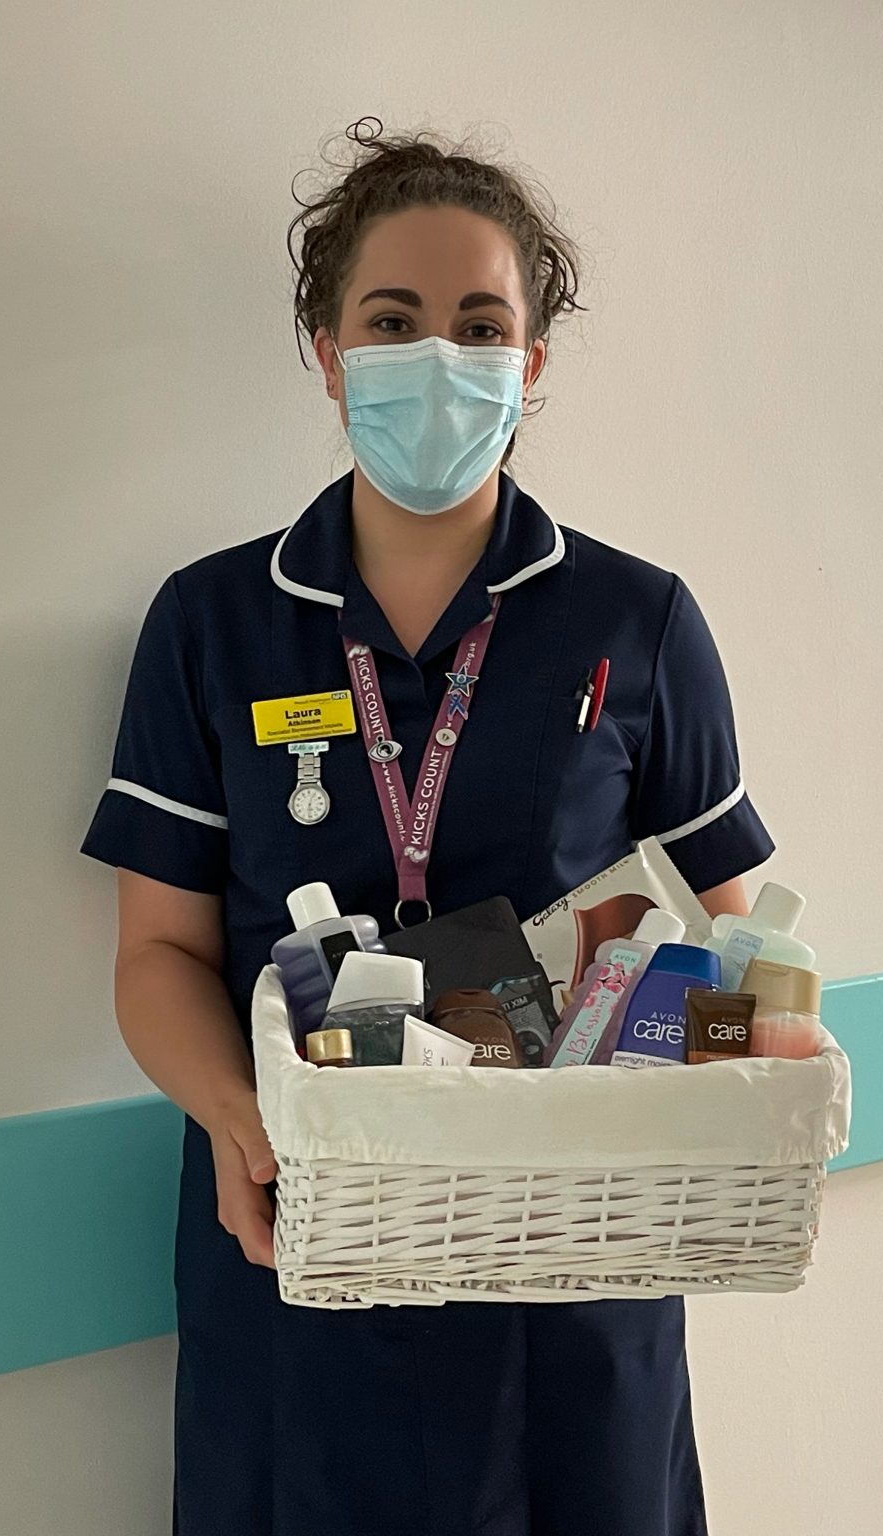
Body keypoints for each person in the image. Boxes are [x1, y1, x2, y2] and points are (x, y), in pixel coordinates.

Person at [81, 121, 773, 1536]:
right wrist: (239, 1121)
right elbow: (157, 947)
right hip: (299, 1234)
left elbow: (736, 928)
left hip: (571, 1262)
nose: (437, 356)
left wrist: (697, 1082)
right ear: (329, 355)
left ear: (531, 366)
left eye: (480, 324)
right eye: (392, 321)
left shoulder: (635, 623)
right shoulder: (213, 622)